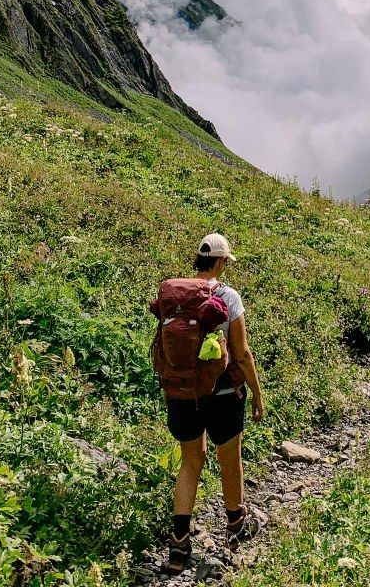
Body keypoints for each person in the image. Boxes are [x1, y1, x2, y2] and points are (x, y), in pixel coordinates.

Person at [163, 233, 265, 575]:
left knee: (191, 462)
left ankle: (178, 545)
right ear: (221, 262)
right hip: (222, 395)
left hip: (181, 395)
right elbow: (243, 352)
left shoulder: (174, 297)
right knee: (228, 457)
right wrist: (258, 394)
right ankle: (236, 523)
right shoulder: (228, 296)